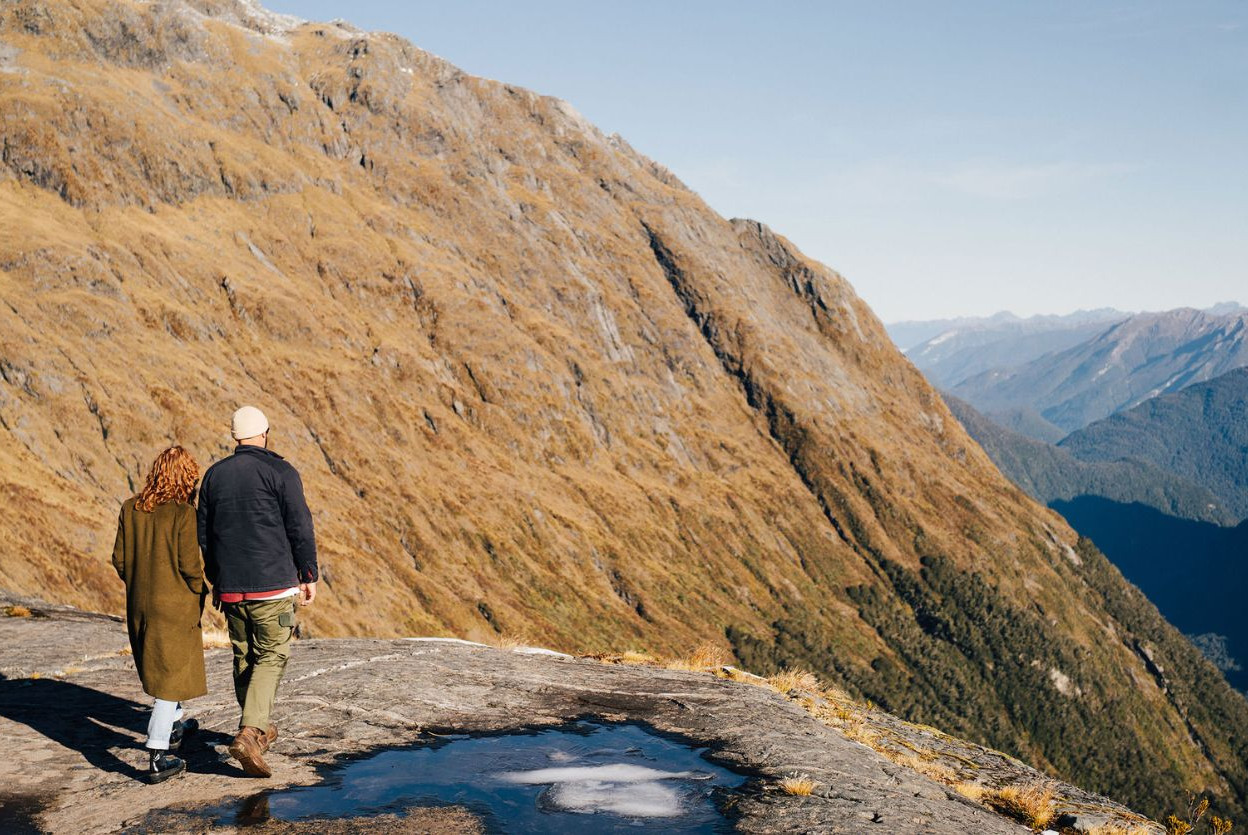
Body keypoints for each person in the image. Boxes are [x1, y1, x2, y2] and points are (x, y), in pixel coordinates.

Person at [198, 405, 318, 777]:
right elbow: (300, 525)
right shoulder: (280, 471)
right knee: (272, 655)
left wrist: (218, 579)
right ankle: (250, 733)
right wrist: (308, 573)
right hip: (273, 585)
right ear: (264, 433)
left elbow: (205, 536)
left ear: (235, 436)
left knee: (244, 656)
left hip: (231, 588)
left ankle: (258, 728)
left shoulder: (214, 476)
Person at [111, 445, 207, 784]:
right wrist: (200, 590)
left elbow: (120, 560)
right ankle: (158, 753)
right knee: (169, 677)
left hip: (140, 603)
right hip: (175, 606)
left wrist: (141, 583)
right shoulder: (184, 514)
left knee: (164, 665)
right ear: (185, 479)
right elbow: (189, 566)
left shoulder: (129, 508)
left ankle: (175, 725)